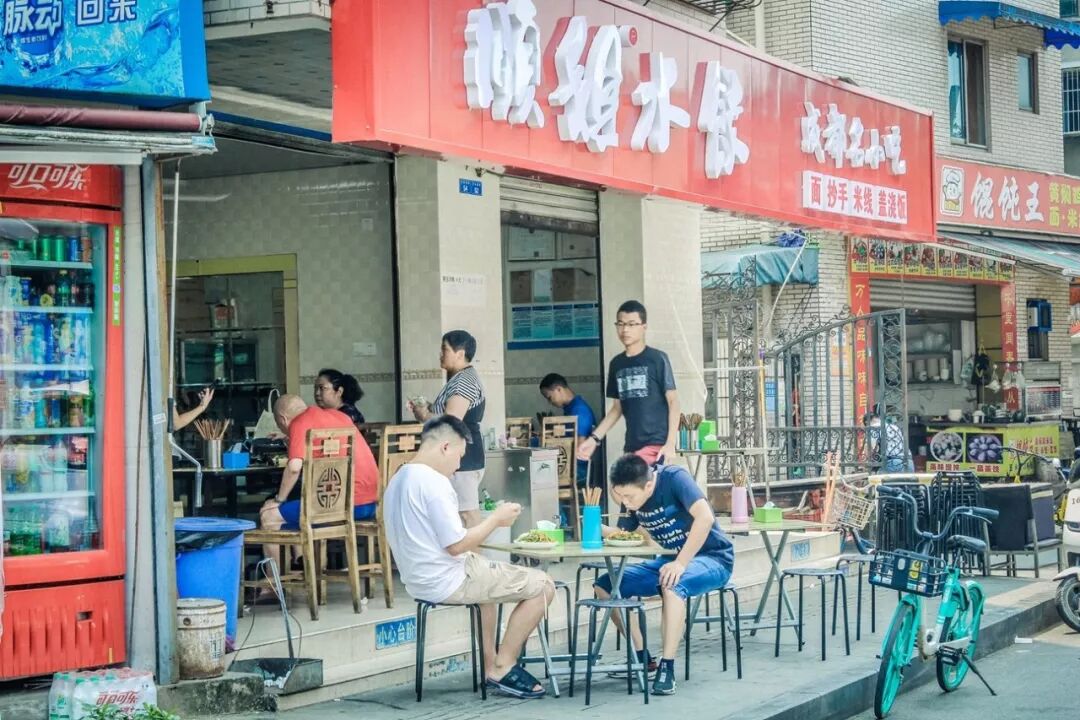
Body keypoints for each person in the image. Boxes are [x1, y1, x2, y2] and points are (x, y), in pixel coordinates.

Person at [384, 415, 555, 699]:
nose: (458, 466)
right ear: (445, 447)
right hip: (449, 578)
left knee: (489, 579)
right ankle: (503, 665)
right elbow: (457, 545)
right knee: (544, 585)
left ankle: (490, 665)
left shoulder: (398, 478)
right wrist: (496, 519)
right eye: (459, 456)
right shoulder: (434, 483)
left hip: (418, 580)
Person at [595, 454, 734, 696]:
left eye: (629, 497)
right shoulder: (631, 499)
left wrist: (681, 562)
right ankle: (643, 657)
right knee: (606, 585)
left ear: (648, 485)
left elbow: (705, 517)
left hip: (713, 558)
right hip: (668, 562)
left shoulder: (675, 478)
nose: (625, 502)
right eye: (619, 496)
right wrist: (592, 526)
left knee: (671, 584)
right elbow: (623, 533)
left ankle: (666, 667)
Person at [259, 394, 380, 564]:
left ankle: (274, 580)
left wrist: (279, 500)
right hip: (371, 504)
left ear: (283, 419)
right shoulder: (340, 416)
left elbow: (294, 468)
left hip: (340, 506)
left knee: (269, 516)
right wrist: (290, 439)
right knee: (299, 505)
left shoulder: (299, 423)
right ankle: (307, 566)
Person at [577, 300, 680, 466]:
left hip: (656, 447)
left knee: (629, 483)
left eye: (632, 324)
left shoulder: (657, 359)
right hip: (631, 447)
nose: (625, 330)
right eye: (621, 324)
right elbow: (617, 409)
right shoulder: (616, 364)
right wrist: (593, 439)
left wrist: (670, 443)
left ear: (644, 327)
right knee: (624, 482)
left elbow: (673, 402)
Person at [408, 330, 486, 528]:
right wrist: (426, 409)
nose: (440, 354)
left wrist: (424, 415)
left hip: (463, 456)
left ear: (460, 353)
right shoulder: (459, 378)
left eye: (445, 349)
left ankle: (476, 550)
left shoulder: (464, 381)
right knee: (457, 516)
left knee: (467, 515)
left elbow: (452, 419)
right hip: (458, 454)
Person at [539, 373, 596, 485]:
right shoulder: (571, 408)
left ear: (558, 389)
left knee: (537, 472)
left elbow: (580, 448)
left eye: (549, 397)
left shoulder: (579, 410)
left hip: (579, 470)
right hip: (571, 465)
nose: (550, 402)